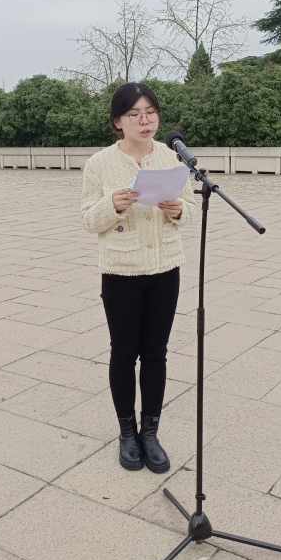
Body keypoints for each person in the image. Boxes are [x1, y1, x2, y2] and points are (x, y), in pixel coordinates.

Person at [80, 82, 196, 473]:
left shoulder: (171, 158)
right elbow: (87, 220)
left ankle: (150, 432)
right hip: (121, 271)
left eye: (150, 112)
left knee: (156, 353)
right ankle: (127, 433)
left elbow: (190, 210)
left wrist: (178, 210)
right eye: (134, 114)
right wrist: (111, 205)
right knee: (124, 352)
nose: (144, 121)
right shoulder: (99, 164)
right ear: (118, 121)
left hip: (166, 268)